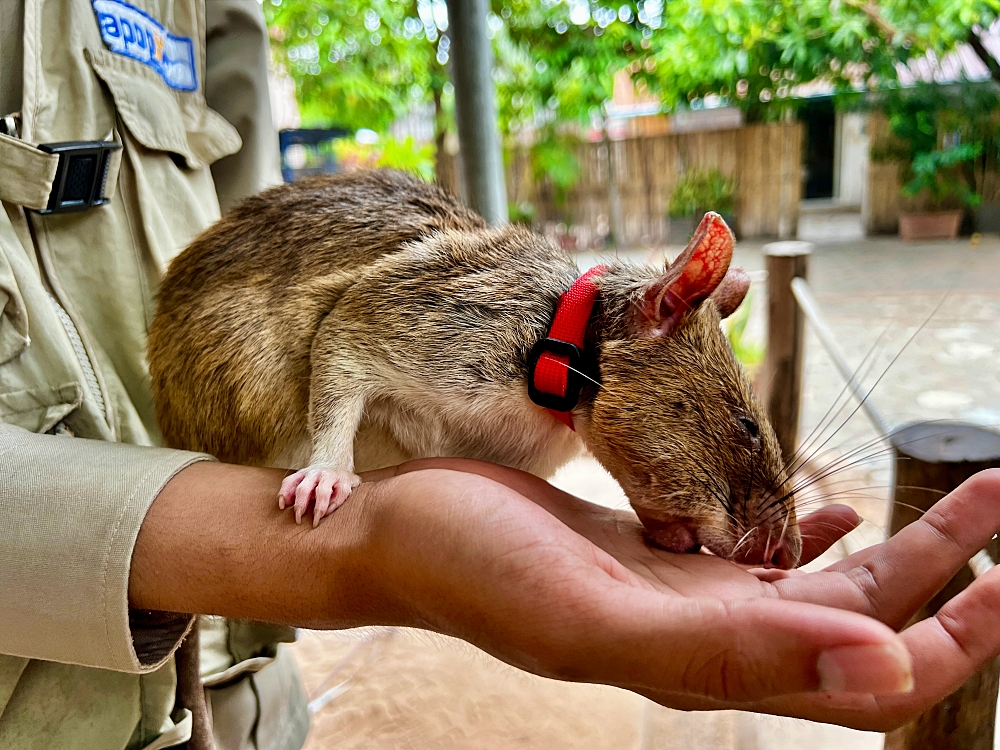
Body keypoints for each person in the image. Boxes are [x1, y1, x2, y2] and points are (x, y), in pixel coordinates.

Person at [3, 1, 1000, 749]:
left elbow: (228, 151)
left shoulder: (562, 402)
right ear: (665, 308)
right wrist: (329, 468)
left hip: (249, 678)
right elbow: (347, 334)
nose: (737, 456)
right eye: (733, 437)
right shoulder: (515, 340)